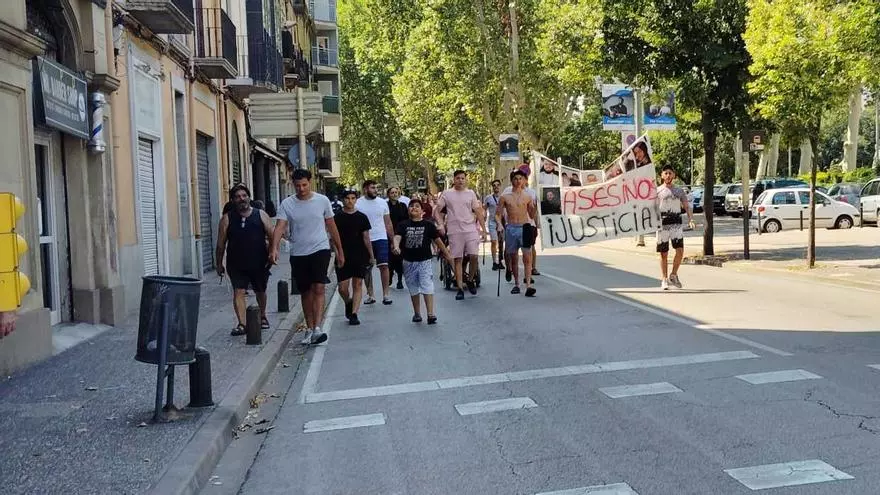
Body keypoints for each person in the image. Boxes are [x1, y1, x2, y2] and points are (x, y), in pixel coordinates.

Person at [270, 169, 343, 345]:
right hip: (298, 252)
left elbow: (331, 226)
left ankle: (318, 328)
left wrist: (340, 250)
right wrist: (274, 248)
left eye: (304, 185)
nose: (301, 189)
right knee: (305, 291)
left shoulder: (322, 201)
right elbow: (280, 226)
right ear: (293, 185)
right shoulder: (287, 203)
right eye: (297, 186)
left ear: (310, 182)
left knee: (319, 287)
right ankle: (309, 329)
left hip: (320, 248)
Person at [216, 185, 274, 335]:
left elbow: (273, 235)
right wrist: (219, 263)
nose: (241, 199)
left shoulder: (260, 214)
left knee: (260, 290)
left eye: (244, 195)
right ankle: (242, 324)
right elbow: (220, 244)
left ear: (249, 197)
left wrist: (273, 253)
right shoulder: (226, 219)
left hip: (259, 261)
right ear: (233, 200)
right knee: (238, 292)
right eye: (237, 196)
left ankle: (262, 316)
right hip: (236, 263)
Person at [393, 199, 453, 324]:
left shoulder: (428, 225)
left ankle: (430, 314)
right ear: (408, 210)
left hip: (425, 261)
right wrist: (396, 246)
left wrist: (447, 255)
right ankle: (417, 313)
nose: (414, 208)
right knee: (413, 287)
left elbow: (438, 241)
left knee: (427, 285)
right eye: (411, 206)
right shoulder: (403, 225)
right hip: (408, 261)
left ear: (422, 211)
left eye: (417, 206)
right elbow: (397, 237)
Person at [435, 170, 487, 300]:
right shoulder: (447, 194)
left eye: (463, 178)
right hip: (454, 230)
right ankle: (460, 288)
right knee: (458, 259)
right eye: (458, 178)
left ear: (466, 180)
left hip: (470, 229)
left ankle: (469, 279)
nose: (460, 180)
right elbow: (436, 211)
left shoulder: (470, 194)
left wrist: (484, 230)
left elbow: (478, 212)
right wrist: (441, 224)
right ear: (454, 179)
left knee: (474, 256)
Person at [334, 190, 375, 325]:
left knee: (358, 284)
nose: (350, 201)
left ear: (356, 200)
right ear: (343, 200)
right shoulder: (337, 217)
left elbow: (366, 238)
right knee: (342, 288)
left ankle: (354, 314)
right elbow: (333, 239)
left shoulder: (362, 217)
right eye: (347, 198)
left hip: (359, 254)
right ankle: (348, 302)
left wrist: (371, 255)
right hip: (343, 254)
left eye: (353, 198)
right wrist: (337, 253)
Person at [497, 169, 537, 297]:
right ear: (512, 180)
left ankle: (529, 285)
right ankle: (517, 284)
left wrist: (534, 208)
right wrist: (499, 225)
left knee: (527, 257)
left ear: (524, 180)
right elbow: (497, 214)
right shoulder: (505, 197)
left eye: (520, 178)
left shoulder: (528, 196)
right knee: (513, 258)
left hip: (525, 227)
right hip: (511, 228)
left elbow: (531, 215)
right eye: (516, 178)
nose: (518, 181)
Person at [656, 164, 695, 290]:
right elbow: (650, 208)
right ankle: (664, 279)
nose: (668, 175)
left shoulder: (679, 191)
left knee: (680, 251)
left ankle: (673, 274)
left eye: (670, 173)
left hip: (676, 223)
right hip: (662, 224)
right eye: (665, 173)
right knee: (664, 253)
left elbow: (686, 206)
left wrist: (691, 219)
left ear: (674, 175)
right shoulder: (657, 191)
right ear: (662, 175)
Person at [356, 180, 395, 305]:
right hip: (365, 239)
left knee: (384, 266)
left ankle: (386, 294)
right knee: (367, 268)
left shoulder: (382, 203)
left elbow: (388, 223)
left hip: (381, 238)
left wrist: (393, 240)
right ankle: (371, 294)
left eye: (376, 188)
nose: (375, 190)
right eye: (372, 188)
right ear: (365, 189)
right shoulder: (358, 204)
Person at [387, 186, 409, 290]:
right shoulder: (385, 206)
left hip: (401, 235)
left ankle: (400, 280)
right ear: (388, 194)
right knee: (390, 259)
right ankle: (390, 277)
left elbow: (406, 219)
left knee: (399, 258)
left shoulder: (403, 206)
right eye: (392, 192)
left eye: (396, 192)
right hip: (388, 235)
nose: (394, 194)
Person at [484, 180, 505, 271]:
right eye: (494, 185)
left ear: (500, 186)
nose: (496, 187)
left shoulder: (503, 197)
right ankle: (494, 262)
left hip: (502, 221)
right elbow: (484, 209)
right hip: (492, 222)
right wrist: (483, 218)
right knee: (493, 241)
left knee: (501, 242)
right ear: (492, 187)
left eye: (497, 185)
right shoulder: (488, 198)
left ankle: (500, 260)